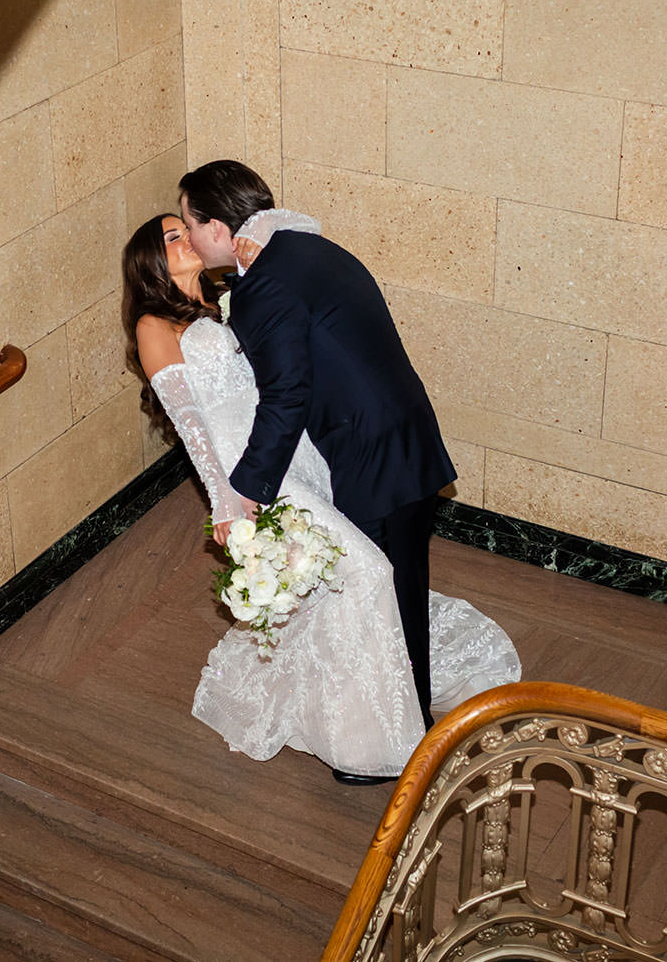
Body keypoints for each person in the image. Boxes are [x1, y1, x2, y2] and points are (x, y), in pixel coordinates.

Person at [123, 209, 520, 784]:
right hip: (250, 476)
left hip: (293, 458)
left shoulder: (218, 304)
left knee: (333, 581)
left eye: (187, 229)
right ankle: (366, 743)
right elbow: (192, 429)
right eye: (172, 235)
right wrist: (227, 503)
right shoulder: (153, 326)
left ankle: (378, 688)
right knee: (365, 572)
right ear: (149, 259)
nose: (185, 239)